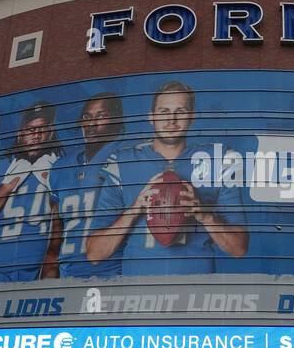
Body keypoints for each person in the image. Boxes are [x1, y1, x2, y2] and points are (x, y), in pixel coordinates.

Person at [86, 80, 248, 275]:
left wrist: (203, 214)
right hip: (137, 292)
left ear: (192, 117)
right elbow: (94, 254)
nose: (171, 119)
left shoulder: (216, 161)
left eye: (180, 111)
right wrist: (135, 208)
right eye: (164, 112)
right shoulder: (122, 163)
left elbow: (239, 248)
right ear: (151, 117)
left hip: (196, 293)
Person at [0, 103, 63, 283]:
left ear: (50, 132)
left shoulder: (62, 168)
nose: (36, 135)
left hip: (33, 275)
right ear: (20, 133)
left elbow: (59, 242)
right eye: (30, 129)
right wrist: (6, 185)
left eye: (42, 128)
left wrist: (54, 185)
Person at [53, 93, 126, 278]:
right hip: (68, 274)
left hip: (110, 274)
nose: (92, 124)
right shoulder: (62, 166)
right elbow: (56, 226)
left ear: (116, 120)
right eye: (87, 117)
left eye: (101, 116)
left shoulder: (126, 158)